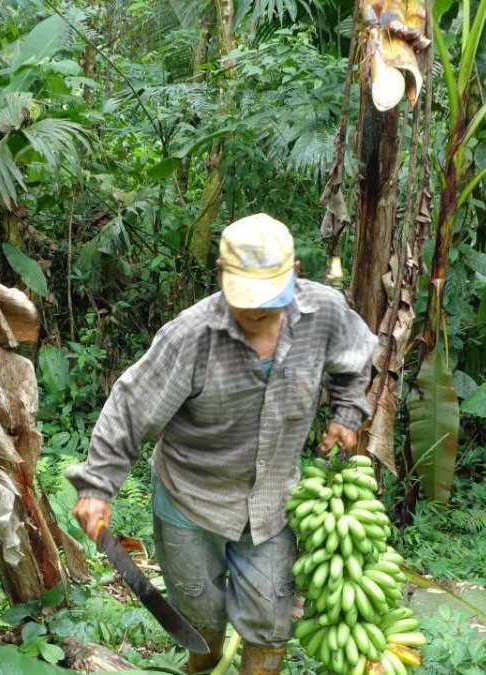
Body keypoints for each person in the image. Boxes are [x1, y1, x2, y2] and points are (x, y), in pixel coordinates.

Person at [66, 213, 376, 674]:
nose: (257, 312)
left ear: (295, 275)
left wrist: (347, 414)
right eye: (247, 298)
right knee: (200, 619)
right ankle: (202, 659)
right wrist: (97, 487)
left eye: (269, 298)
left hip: (273, 501)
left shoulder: (324, 314)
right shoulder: (191, 337)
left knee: (270, 627)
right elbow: (130, 407)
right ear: (221, 274)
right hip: (192, 498)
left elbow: (356, 360)